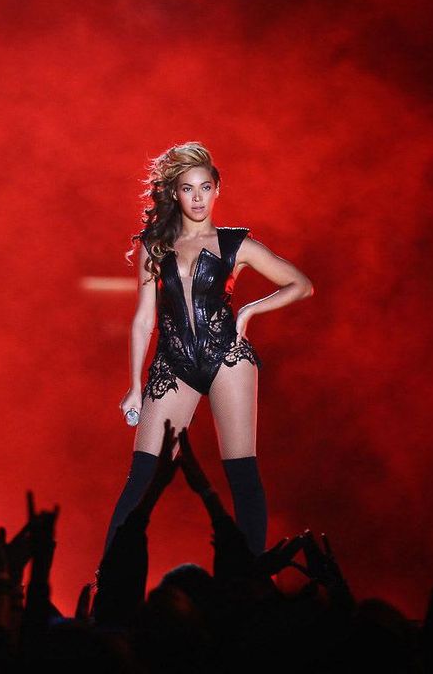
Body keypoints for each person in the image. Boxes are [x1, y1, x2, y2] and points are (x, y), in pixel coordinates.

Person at [101, 141, 313, 560]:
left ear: (218, 190)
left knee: (241, 473)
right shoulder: (153, 245)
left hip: (227, 359)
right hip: (172, 363)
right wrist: (133, 384)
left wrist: (250, 310)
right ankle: (111, 585)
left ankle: (249, 584)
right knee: (142, 478)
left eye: (205, 187)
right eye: (187, 189)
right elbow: (144, 319)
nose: (197, 198)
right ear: (174, 193)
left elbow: (301, 284)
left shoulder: (236, 244)